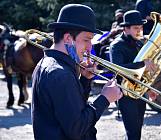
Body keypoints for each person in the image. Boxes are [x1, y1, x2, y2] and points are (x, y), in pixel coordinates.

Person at [31, 4, 123, 140]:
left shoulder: (47, 64)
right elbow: (77, 128)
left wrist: (85, 80)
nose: (90, 47)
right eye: (86, 40)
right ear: (68, 38)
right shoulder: (61, 74)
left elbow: (73, 111)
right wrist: (105, 98)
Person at [109, 10, 157, 140]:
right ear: (126, 28)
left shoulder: (139, 43)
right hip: (125, 95)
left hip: (139, 93)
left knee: (137, 131)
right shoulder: (116, 46)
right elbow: (117, 70)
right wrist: (142, 64)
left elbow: (143, 73)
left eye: (141, 27)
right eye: (136, 28)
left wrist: (149, 88)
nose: (139, 31)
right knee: (133, 132)